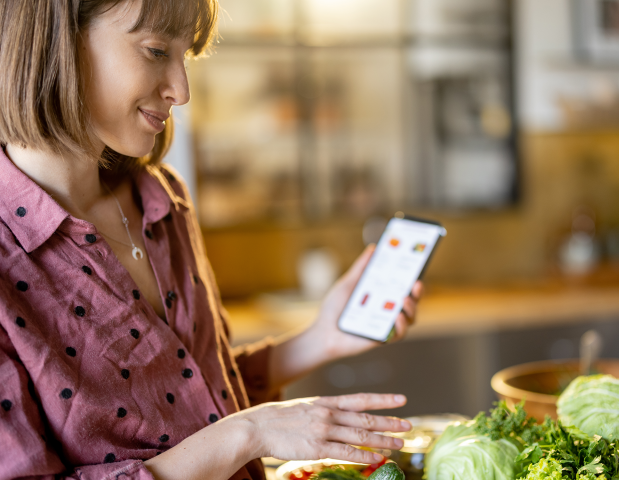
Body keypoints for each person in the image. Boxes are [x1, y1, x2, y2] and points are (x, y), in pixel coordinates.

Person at [0, 0, 423, 479]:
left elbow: (193, 400)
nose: (180, 91)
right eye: (157, 50)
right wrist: (250, 433)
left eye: (186, 58)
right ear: (58, 40)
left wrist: (320, 339)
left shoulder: (162, 201)